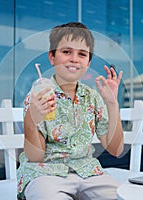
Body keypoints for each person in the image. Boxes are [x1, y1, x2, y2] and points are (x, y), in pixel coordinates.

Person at [17, 22, 124, 200]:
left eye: (82, 54)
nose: (74, 59)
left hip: (87, 172)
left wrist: (112, 104)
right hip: (45, 174)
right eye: (66, 52)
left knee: (121, 197)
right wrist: (31, 120)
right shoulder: (39, 96)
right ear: (52, 57)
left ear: (88, 62)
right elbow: (35, 156)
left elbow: (116, 149)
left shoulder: (92, 98)